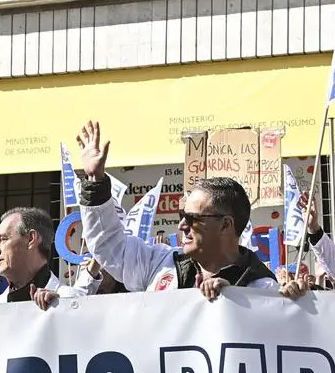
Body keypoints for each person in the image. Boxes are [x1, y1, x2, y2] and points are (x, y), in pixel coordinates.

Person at [72, 122, 276, 298]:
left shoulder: (264, 291)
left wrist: (234, 303)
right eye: (181, 216)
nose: (182, 225)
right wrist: (95, 183)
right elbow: (110, 247)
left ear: (225, 224)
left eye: (192, 218)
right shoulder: (161, 263)